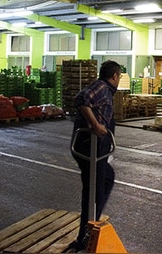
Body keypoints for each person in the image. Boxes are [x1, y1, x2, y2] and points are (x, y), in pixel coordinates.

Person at [70, 60, 121, 252]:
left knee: (106, 179)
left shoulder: (105, 90)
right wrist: (95, 125)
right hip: (89, 147)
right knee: (93, 192)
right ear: (114, 76)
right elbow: (82, 99)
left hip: (98, 149)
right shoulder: (100, 86)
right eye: (120, 76)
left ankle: (90, 226)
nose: (119, 79)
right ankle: (85, 238)